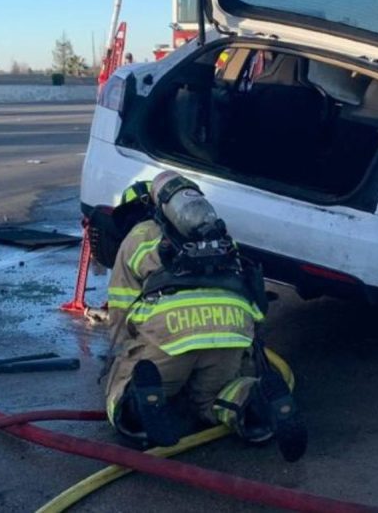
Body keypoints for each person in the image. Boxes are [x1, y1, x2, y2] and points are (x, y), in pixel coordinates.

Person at [102, 170, 306, 461]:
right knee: (214, 397)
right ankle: (256, 403)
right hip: (231, 331)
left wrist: (123, 354)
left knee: (122, 383)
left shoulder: (138, 237)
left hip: (170, 336)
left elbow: (121, 308)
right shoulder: (220, 236)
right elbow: (249, 292)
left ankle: (137, 406)